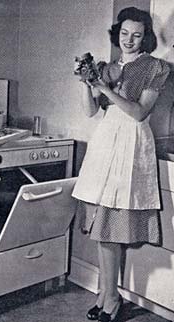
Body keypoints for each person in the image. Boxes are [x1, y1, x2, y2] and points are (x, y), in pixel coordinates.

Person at [72, 6, 170, 322]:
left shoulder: (156, 67)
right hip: (105, 145)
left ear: (146, 38)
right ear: (118, 34)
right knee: (103, 228)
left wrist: (103, 87)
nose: (129, 40)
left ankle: (111, 299)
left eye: (137, 35)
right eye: (124, 34)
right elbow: (90, 112)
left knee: (112, 229)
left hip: (131, 145)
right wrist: (87, 83)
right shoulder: (108, 67)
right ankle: (106, 294)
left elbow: (140, 112)